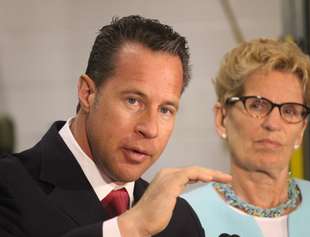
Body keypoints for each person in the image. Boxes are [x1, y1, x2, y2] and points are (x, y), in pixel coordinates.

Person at [0, 15, 231, 237]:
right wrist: (131, 228)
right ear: (87, 93)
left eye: (165, 110)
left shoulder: (178, 219)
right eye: (133, 100)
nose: (150, 129)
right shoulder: (9, 186)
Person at [183, 38, 310, 237]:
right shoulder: (182, 218)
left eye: (290, 111)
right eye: (257, 105)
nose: (273, 124)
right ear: (222, 118)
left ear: (301, 130)